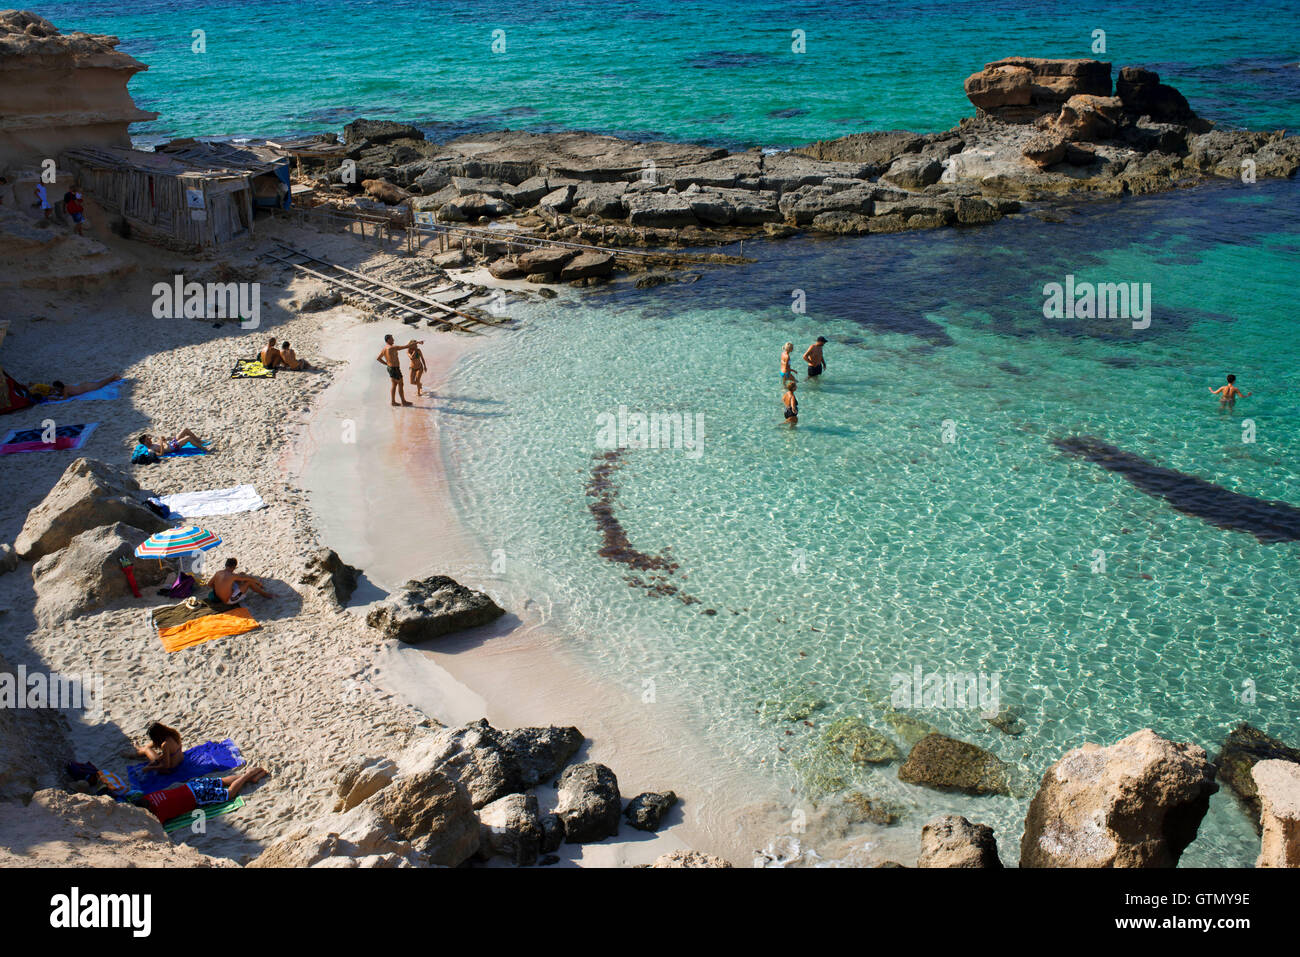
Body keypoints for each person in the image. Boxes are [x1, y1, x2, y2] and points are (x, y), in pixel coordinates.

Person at [377, 334, 422, 406]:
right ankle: (403, 402)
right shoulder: (392, 348)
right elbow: (406, 346)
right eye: (392, 339)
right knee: (401, 384)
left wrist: (387, 364)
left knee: (394, 384)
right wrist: (417, 342)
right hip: (395, 369)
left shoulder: (384, 349)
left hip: (390, 368)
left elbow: (378, 358)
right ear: (388, 340)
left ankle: (393, 402)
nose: (393, 340)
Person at [208, 557, 273, 603]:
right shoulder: (232, 576)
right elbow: (250, 579)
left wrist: (220, 589)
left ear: (226, 565)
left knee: (242, 574)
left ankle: (256, 588)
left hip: (219, 597)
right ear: (234, 567)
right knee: (249, 582)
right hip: (230, 600)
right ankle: (265, 594)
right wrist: (259, 584)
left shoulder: (218, 573)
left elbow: (209, 584)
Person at [35, 373, 122, 399]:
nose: (55, 389)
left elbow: (64, 398)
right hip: (84, 386)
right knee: (100, 383)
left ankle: (113, 377)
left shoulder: (65, 389)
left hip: (86, 388)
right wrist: (55, 394)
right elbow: (62, 394)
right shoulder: (65, 388)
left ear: (59, 387)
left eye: (56, 388)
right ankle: (113, 378)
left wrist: (53, 398)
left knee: (100, 384)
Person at [138, 429, 207, 455]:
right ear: (145, 442)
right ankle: (203, 448)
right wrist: (162, 444)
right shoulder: (151, 450)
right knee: (187, 438)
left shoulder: (152, 444)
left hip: (170, 443)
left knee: (185, 430)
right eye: (148, 439)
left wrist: (164, 440)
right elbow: (161, 454)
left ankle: (199, 441)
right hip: (172, 448)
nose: (150, 439)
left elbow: (164, 443)